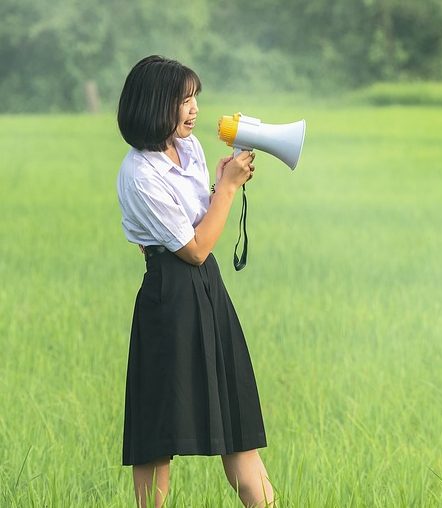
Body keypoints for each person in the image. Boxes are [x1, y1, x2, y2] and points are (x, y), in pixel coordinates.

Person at [116, 55, 274, 507]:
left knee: (238, 424)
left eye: (194, 99)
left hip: (208, 289)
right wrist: (225, 188)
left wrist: (223, 182)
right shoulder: (139, 174)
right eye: (184, 100)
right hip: (169, 295)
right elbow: (195, 247)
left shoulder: (190, 150)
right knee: (156, 430)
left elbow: (202, 224)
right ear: (153, 105)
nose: (194, 109)